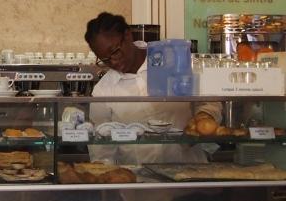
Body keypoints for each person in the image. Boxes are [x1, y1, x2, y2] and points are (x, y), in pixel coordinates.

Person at [83, 13, 216, 164]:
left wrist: (203, 118)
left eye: (115, 51)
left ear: (127, 35)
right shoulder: (103, 90)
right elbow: (101, 150)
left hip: (190, 171)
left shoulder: (173, 60)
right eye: (105, 59)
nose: (113, 62)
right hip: (138, 176)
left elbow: (210, 102)